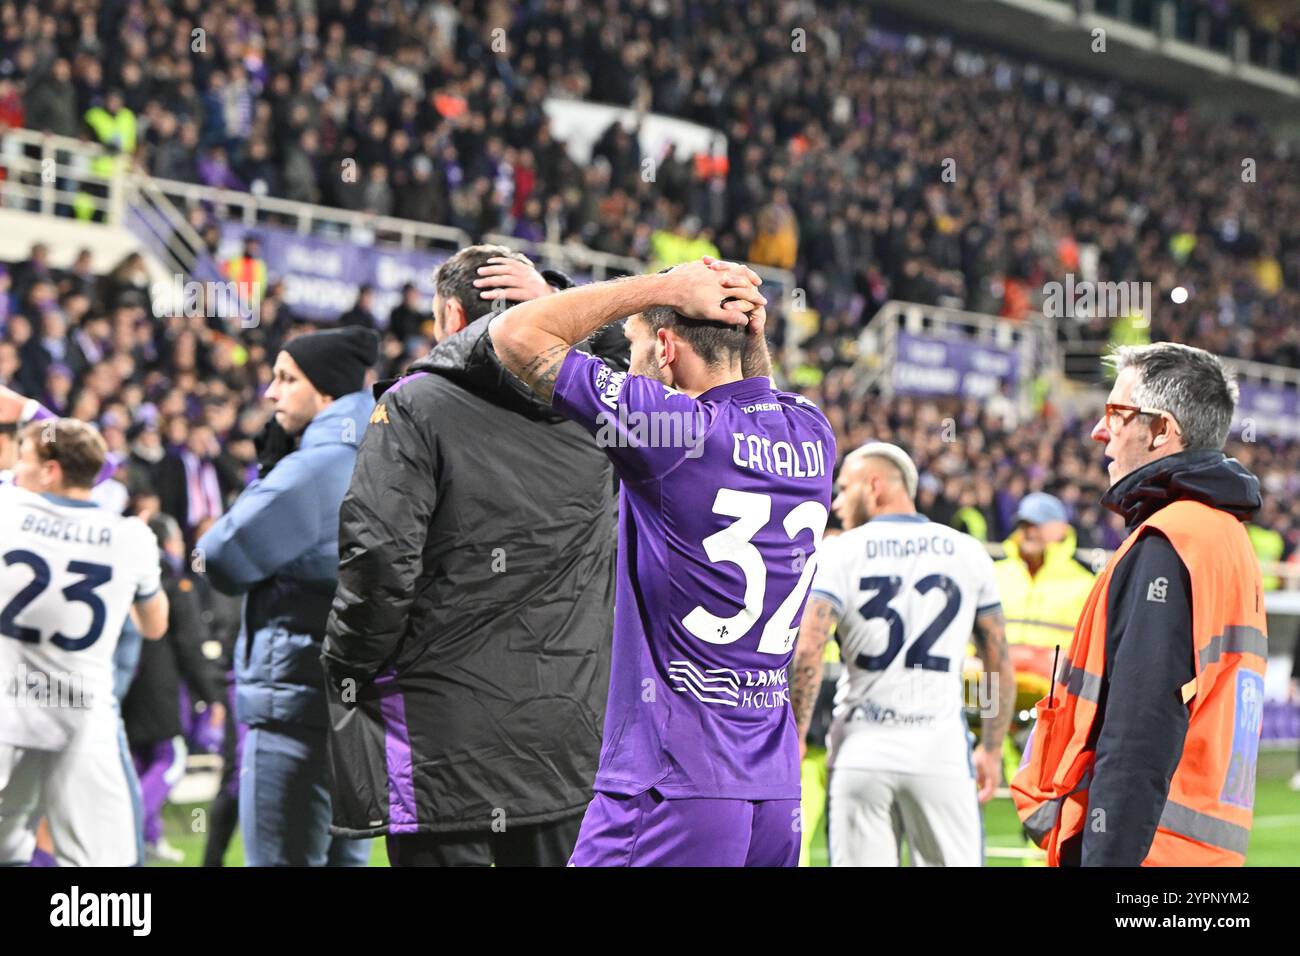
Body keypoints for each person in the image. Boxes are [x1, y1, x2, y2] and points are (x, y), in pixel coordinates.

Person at [490, 256, 834, 867]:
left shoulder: (671, 430)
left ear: (668, 348)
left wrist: (663, 288)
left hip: (672, 783)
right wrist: (746, 336)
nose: (630, 361)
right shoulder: (812, 432)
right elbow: (755, 390)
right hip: (775, 793)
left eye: (636, 343)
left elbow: (515, 336)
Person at [323, 246, 619, 867]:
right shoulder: (598, 412)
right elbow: (645, 347)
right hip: (565, 731)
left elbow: (378, 561)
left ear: (451, 316)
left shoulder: (415, 404)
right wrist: (557, 301)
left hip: (439, 736)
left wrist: (349, 664)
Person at [1013, 343, 1267, 866]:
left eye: (1116, 414)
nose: (1098, 432)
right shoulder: (1224, 537)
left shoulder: (1171, 540)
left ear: (1160, 430)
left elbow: (1138, 737)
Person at [196, 326, 378, 867]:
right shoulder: (390, 449)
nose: (271, 393)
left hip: (297, 698)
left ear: (325, 392)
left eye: (286, 378)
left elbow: (219, 556)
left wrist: (269, 475)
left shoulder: (315, 465)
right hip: (363, 707)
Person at [791, 442, 1014, 866]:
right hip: (940, 749)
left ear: (875, 486)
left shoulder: (839, 552)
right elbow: (997, 660)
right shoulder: (968, 552)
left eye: (844, 488)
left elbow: (808, 652)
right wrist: (990, 745)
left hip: (862, 747)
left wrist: (798, 735)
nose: (836, 503)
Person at [0, 419, 168, 865]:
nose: (16, 470)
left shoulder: (6, 509)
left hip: (7, 712)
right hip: (82, 719)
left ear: (50, 471)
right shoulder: (133, 536)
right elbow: (155, 626)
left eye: (24, 460)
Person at [121, 513, 225, 863]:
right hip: (159, 687)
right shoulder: (175, 583)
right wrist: (212, 695)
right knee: (171, 758)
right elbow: (189, 645)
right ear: (165, 544)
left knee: (138, 761)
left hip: (125, 685)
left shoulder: (121, 577)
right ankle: (129, 824)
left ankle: (149, 839)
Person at [991, 492, 1095, 783]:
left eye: (1037, 523)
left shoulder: (1084, 583)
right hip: (992, 693)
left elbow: (1090, 650)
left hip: (1048, 697)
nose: (1029, 531)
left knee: (1041, 780)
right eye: (1024, 523)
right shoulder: (994, 574)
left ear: (1061, 528)